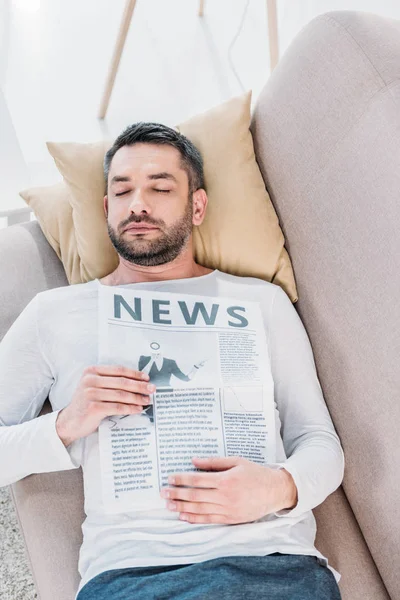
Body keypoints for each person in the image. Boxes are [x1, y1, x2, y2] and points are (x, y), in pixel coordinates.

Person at [0, 123, 344, 600]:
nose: (138, 203)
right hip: (131, 575)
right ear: (106, 209)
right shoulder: (53, 314)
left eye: (160, 188)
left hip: (272, 566)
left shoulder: (261, 302)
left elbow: (317, 439)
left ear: (197, 206)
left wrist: (277, 489)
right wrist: (66, 424)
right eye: (122, 191)